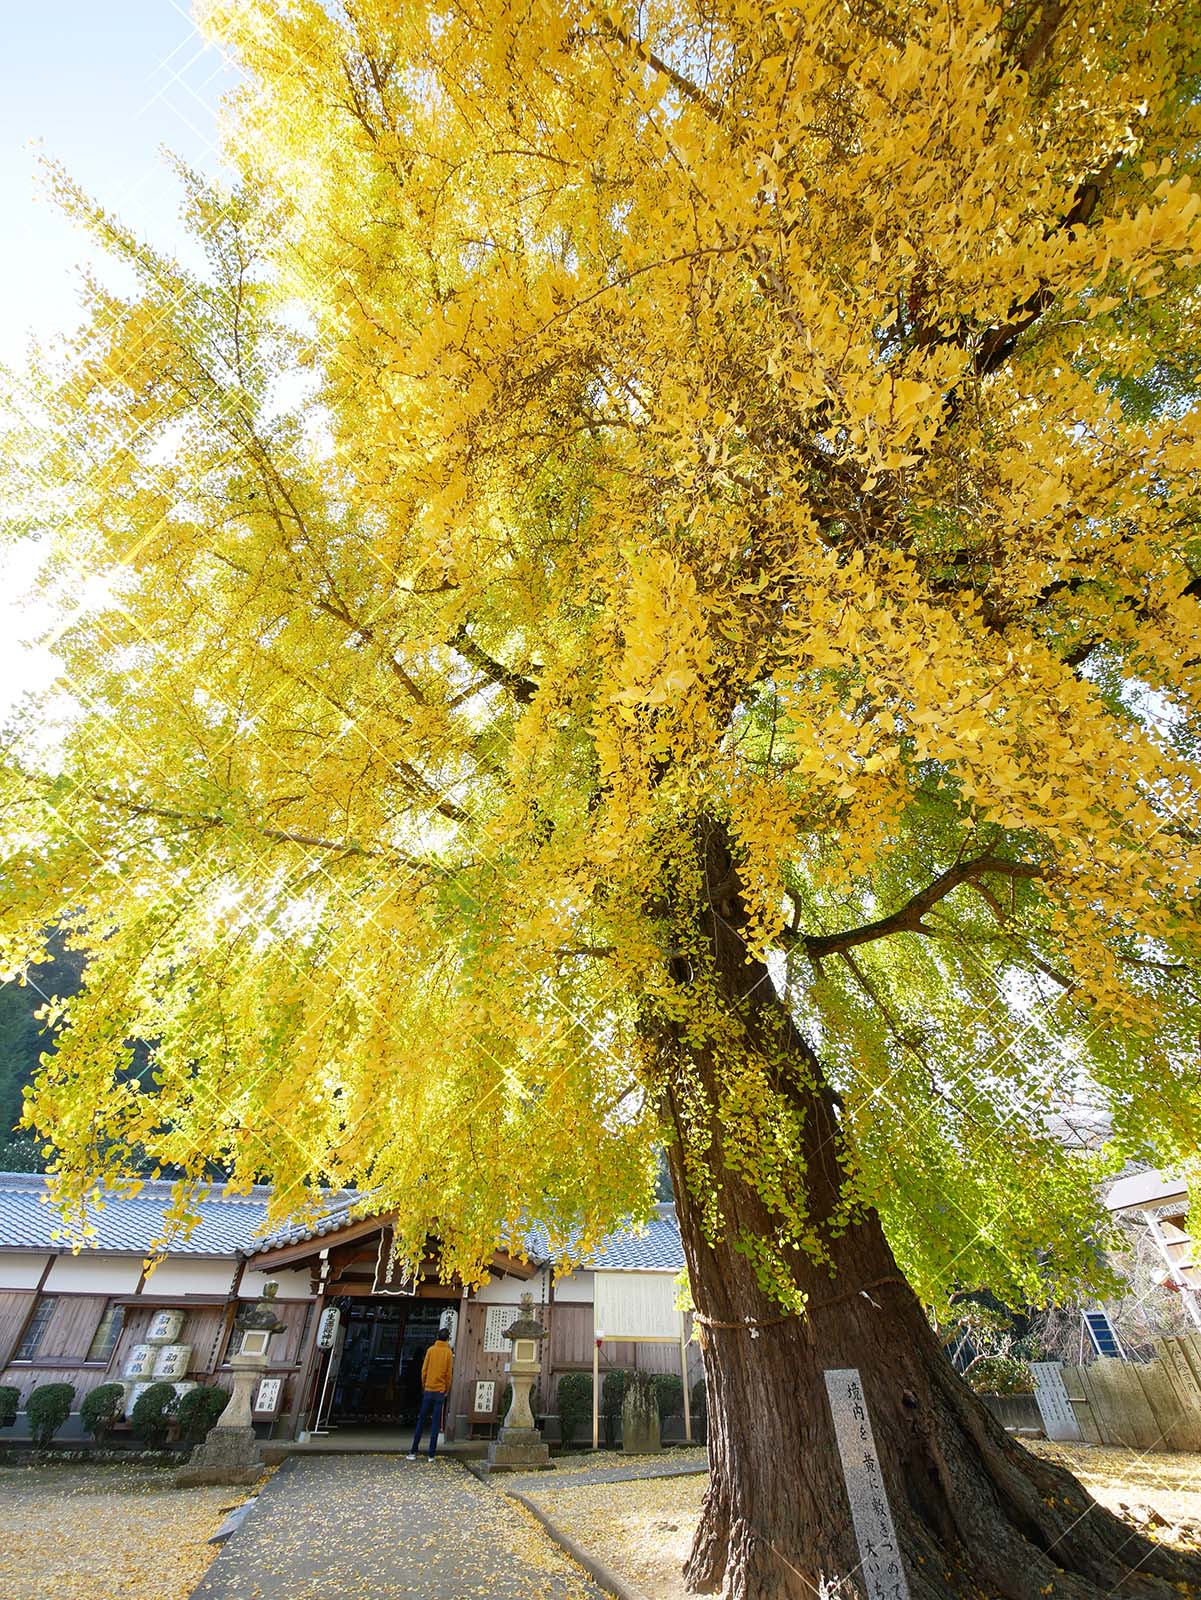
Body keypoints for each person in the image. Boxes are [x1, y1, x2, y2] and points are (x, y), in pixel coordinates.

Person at [407, 1328, 453, 1460]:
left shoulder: (431, 1350)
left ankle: (413, 1451)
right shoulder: (448, 1353)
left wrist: (424, 1384)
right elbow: (448, 1374)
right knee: (435, 1422)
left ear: (437, 1337)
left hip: (428, 1389)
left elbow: (424, 1370)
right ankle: (431, 1454)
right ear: (448, 1338)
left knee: (421, 1420)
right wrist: (446, 1389)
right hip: (440, 1391)